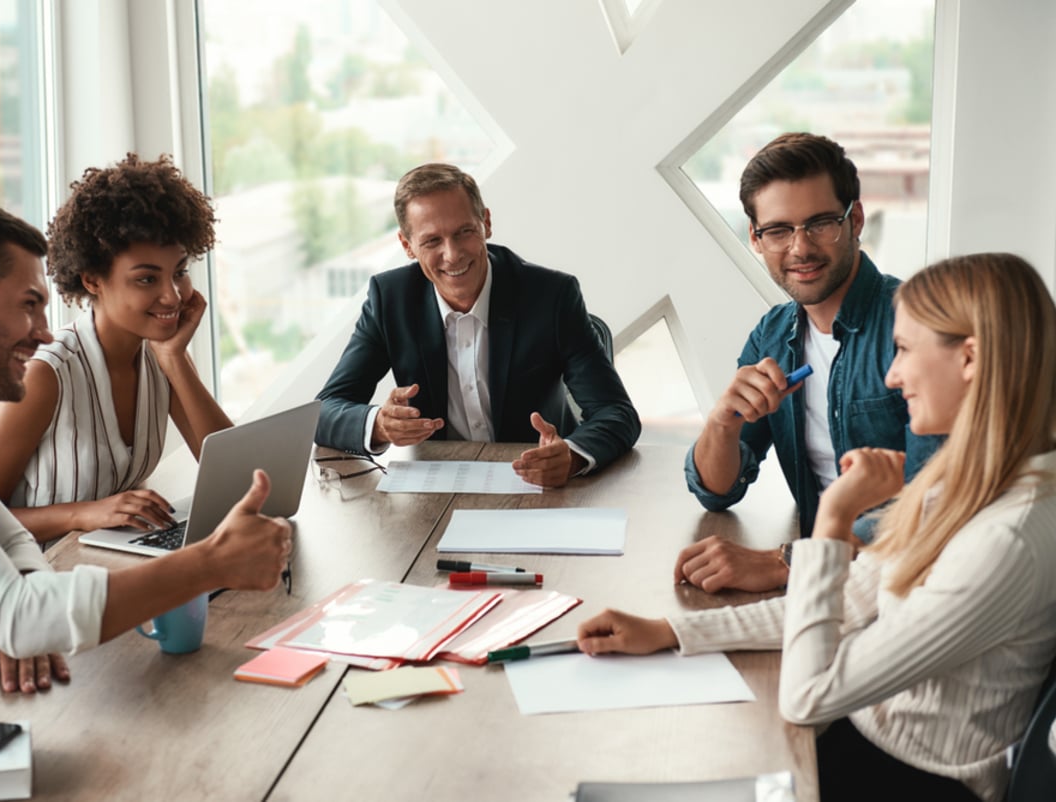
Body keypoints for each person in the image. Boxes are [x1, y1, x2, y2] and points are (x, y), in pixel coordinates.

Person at [579, 253, 1056, 802]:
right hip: (862, 739)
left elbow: (807, 696)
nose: (893, 374)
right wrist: (671, 631)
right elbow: (850, 602)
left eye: (903, 350)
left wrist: (831, 523)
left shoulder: (1005, 537)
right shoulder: (973, 482)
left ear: (969, 359)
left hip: (910, 779)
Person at [0, 201, 290, 695]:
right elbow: (19, 613)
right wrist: (209, 563)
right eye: (27, 305)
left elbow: (8, 541)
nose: (43, 331)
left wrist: (24, 612)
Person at [679, 133, 940, 593]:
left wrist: (787, 563)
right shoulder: (773, 335)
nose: (800, 248)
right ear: (756, 239)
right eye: (778, 230)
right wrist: (722, 424)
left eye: (820, 223)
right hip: (824, 582)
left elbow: (941, 497)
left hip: (907, 583)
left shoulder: (917, 323)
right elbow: (718, 491)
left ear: (854, 219)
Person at [314, 163, 640, 487]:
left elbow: (616, 412)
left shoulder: (552, 296)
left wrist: (571, 456)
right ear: (407, 246)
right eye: (431, 241)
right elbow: (324, 410)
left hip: (537, 485)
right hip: (436, 490)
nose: (452, 255)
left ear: (485, 222)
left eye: (464, 232)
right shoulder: (389, 300)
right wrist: (378, 425)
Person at [0, 154, 231, 542]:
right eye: (147, 279)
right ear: (93, 280)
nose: (172, 296)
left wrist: (175, 358)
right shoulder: (45, 375)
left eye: (179, 272)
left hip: (110, 564)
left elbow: (238, 479)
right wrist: (84, 514)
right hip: (38, 577)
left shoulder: (163, 356)